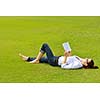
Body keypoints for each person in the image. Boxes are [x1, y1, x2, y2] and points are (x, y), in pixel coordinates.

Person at [19, 43, 98, 69]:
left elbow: (64, 66)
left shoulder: (78, 65)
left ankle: (36, 60)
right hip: (57, 58)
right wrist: (69, 53)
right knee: (42, 59)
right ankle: (28, 58)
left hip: (55, 61)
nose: (86, 58)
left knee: (45, 45)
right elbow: (70, 58)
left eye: (87, 60)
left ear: (86, 64)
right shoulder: (80, 60)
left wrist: (66, 56)